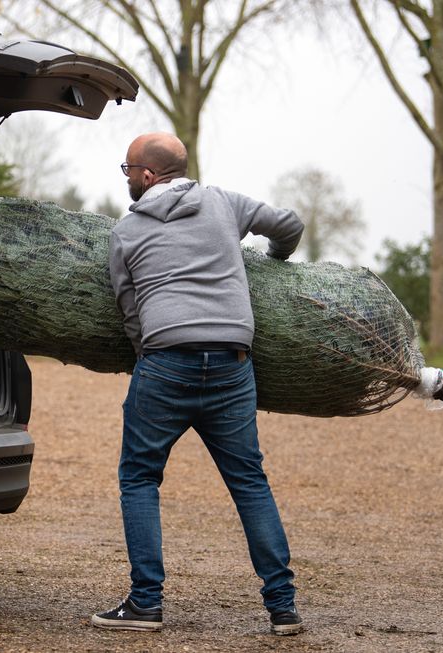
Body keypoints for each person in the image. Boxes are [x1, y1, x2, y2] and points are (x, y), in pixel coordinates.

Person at [91, 132, 305, 635]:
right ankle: (283, 608)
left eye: (128, 170)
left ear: (148, 175)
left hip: (165, 362)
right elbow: (289, 226)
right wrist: (274, 261)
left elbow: (129, 310)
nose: (127, 179)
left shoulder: (126, 232)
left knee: (140, 478)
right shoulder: (224, 203)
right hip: (232, 362)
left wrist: (153, 355)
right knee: (249, 482)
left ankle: (146, 604)